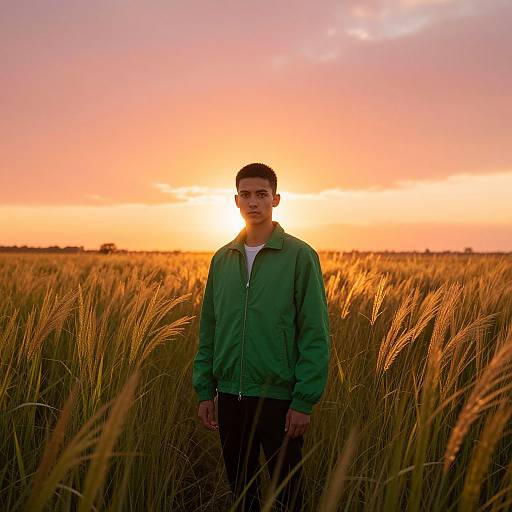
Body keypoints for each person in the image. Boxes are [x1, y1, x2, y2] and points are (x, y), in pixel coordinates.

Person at [192, 162, 330, 511]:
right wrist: (205, 390)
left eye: (262, 195)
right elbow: (209, 328)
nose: (254, 202)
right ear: (235, 201)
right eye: (246, 195)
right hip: (229, 397)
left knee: (289, 494)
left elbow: (315, 333)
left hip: (278, 399)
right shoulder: (222, 259)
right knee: (241, 493)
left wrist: (303, 401)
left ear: (276, 199)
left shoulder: (300, 256)